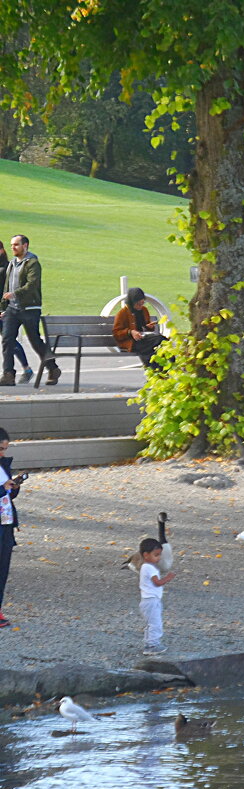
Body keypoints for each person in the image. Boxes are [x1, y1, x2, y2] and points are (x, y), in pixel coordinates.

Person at [0, 235, 61, 386]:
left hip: (29, 308)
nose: (13, 247)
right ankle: (8, 374)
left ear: (25, 246)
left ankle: (52, 368)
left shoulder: (33, 263)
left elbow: (32, 284)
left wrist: (15, 294)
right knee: (7, 339)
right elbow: (7, 287)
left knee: (35, 341)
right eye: (12, 245)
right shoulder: (12, 264)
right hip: (12, 309)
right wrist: (3, 307)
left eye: (16, 245)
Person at [138, 537, 175, 656]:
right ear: (146, 555)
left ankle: (149, 643)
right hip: (151, 600)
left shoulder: (145, 567)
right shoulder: (149, 568)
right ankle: (152, 645)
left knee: (151, 623)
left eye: (159, 555)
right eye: (156, 555)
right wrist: (168, 578)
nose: (159, 558)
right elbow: (157, 582)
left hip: (147, 600)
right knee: (156, 623)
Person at [0, 428, 22, 629]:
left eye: (5, 449)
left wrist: (14, 487)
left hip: (5, 522)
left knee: (3, 567)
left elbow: (8, 495)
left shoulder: (3, 465)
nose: (2, 453)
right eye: (0, 449)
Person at [113, 287, 167, 368]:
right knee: (160, 340)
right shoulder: (122, 313)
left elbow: (145, 325)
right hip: (132, 342)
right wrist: (130, 332)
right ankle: (158, 367)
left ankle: (159, 367)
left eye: (142, 303)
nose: (140, 306)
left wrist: (149, 327)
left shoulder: (144, 310)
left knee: (160, 344)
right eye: (138, 304)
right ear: (131, 303)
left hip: (143, 338)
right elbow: (116, 333)